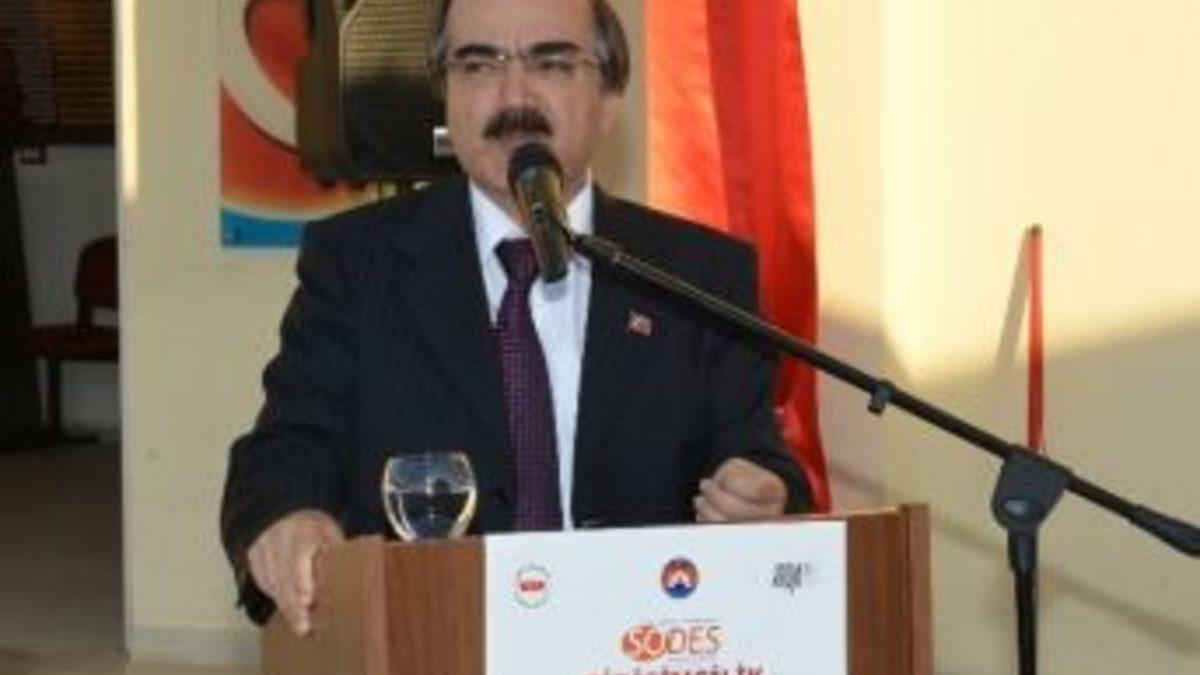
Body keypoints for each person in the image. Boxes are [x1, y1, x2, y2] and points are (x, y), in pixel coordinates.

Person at [220, 0, 814, 636]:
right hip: (434, 640)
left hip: (644, 639)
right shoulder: (357, 261)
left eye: (551, 62)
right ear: (444, 93)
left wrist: (765, 494)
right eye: (478, 65)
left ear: (610, 97)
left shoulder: (698, 273)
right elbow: (287, 446)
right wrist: (289, 512)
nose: (514, 96)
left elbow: (758, 458)